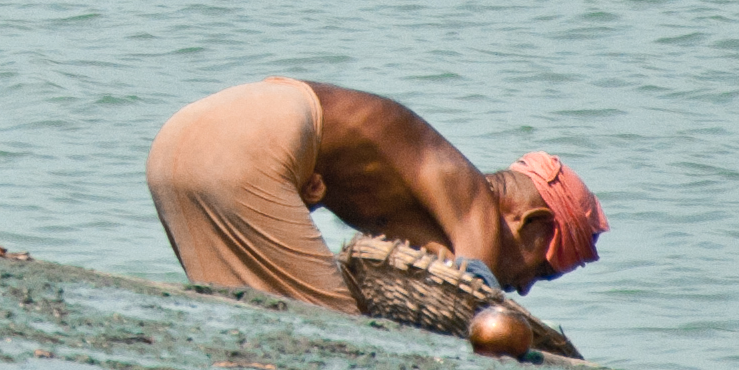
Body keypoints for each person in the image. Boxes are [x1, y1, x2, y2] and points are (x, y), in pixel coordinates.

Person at [144, 78, 606, 311]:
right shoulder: (474, 201)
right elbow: (471, 298)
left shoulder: (424, 197)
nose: (523, 288)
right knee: (329, 334)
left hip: (180, 140)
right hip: (251, 141)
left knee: (239, 317)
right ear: (529, 222)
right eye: (541, 272)